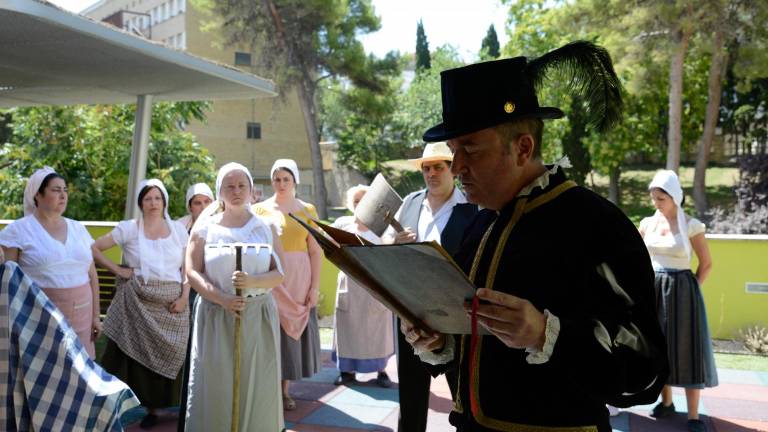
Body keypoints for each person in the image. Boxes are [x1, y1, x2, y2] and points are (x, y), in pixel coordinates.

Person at [402, 41, 668, 432]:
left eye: (470, 151)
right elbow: (479, 358)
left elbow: (644, 368)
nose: (456, 168)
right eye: (454, 151)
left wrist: (547, 334)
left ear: (523, 148)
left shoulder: (596, 225)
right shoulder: (478, 225)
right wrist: (439, 343)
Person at [382, 142, 477, 432]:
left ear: (453, 170)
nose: (432, 173)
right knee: (410, 397)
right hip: (409, 310)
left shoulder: (471, 208)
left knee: (464, 395)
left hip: (454, 314)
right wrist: (394, 244)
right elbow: (385, 243)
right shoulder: (410, 202)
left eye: (439, 166)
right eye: (426, 168)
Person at [184, 162, 285, 431]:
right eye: (229, 186)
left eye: (242, 185)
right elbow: (192, 271)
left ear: (252, 190)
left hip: (256, 316)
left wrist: (252, 281)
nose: (236, 191)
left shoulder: (266, 227)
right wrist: (221, 298)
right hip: (216, 316)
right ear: (220, 191)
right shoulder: (205, 229)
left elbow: (280, 273)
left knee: (257, 382)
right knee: (216, 383)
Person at [92, 179, 190, 429]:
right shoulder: (129, 229)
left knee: (175, 353)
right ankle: (145, 409)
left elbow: (188, 266)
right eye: (148, 198)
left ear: (165, 201)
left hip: (172, 303)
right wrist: (118, 270)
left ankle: (173, 406)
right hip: (137, 301)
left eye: (158, 198)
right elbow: (95, 248)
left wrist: (184, 297)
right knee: (130, 358)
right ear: (140, 203)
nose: (153, 203)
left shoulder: (178, 230)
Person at [1, 260, 140, 431]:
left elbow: (91, 273)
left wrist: (95, 316)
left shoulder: (78, 232)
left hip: (61, 328)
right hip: (35, 323)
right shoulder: (12, 262)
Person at [641, 170, 717, 432]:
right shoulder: (647, 224)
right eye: (653, 198)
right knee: (660, 347)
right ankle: (667, 403)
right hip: (654, 289)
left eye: (661, 198)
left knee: (687, 350)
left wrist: (691, 290)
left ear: (674, 197)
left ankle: (694, 416)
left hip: (683, 291)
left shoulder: (692, 225)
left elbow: (706, 264)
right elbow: (638, 259)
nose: (656, 203)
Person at [0, 166, 101, 358]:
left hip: (82, 317)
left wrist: (96, 316)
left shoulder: (78, 228)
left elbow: (92, 275)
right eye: (56, 190)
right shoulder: (19, 231)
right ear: (37, 195)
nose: (63, 195)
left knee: (79, 377)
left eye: (65, 190)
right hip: (39, 319)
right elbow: (9, 281)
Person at [253, 158, 323, 411]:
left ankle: (284, 390)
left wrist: (314, 288)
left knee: (289, 336)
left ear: (295, 181)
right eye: (277, 178)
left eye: (286, 179)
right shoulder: (259, 210)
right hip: (271, 276)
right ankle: (267, 388)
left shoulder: (307, 210)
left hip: (299, 278)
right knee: (270, 331)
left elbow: (315, 251)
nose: (281, 183)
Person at [331, 184, 394, 388]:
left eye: (365, 200)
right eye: (356, 200)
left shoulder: (383, 228)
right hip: (349, 284)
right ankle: (346, 372)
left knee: (376, 329)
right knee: (347, 328)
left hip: (374, 286)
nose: (360, 204)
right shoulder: (342, 225)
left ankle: (381, 371)